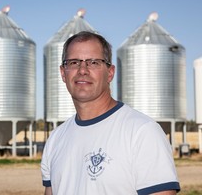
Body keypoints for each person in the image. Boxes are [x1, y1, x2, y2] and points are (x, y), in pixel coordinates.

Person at [41, 31, 180, 195]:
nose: (82, 70)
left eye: (93, 62)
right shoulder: (56, 139)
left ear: (110, 73)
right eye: (73, 62)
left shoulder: (142, 132)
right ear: (63, 73)